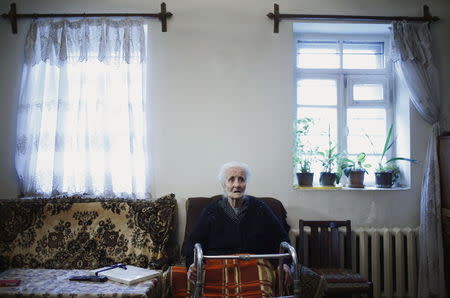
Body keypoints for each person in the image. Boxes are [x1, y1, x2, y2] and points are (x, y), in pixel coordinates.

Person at [184, 161, 293, 284]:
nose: (237, 185)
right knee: (175, 276)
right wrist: (191, 264)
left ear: (246, 183)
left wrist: (284, 264)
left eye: (241, 179)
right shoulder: (211, 210)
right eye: (231, 179)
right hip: (218, 265)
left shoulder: (260, 208)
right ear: (224, 184)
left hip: (255, 265)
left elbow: (281, 238)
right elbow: (194, 242)